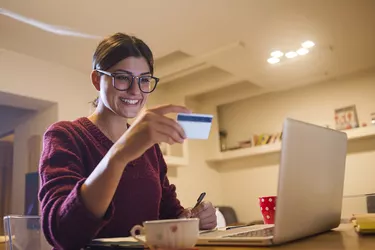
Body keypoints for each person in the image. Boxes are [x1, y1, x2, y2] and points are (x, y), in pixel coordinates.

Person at [38, 32, 217, 250]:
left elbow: (167, 213)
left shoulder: (149, 145)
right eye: (122, 77)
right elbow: (62, 232)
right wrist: (120, 154)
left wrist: (192, 217)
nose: (135, 91)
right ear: (97, 79)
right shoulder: (65, 135)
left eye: (144, 80)